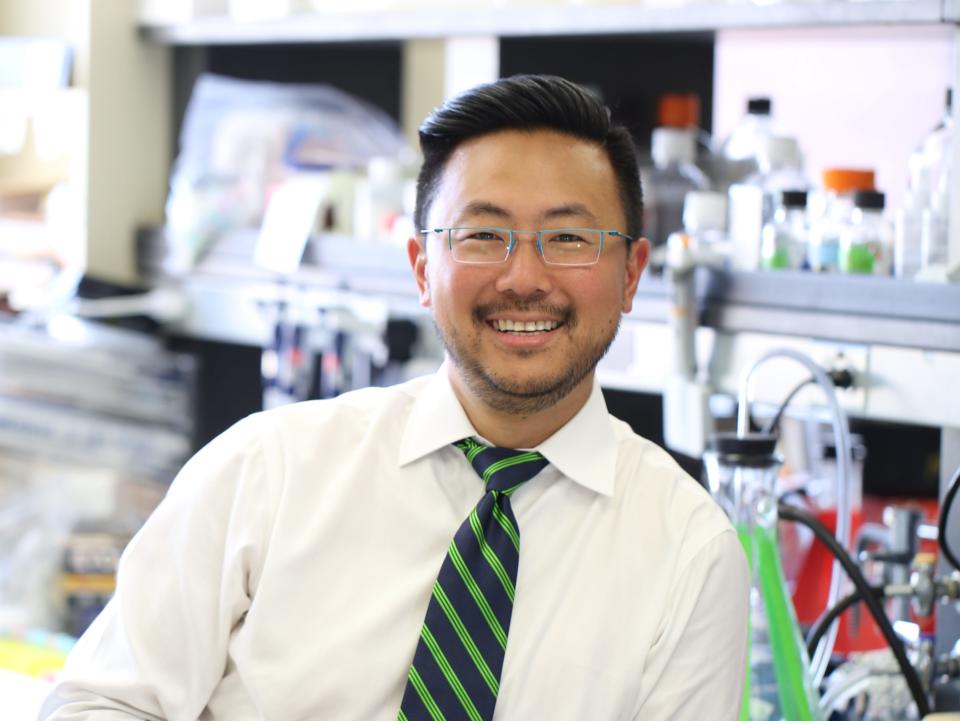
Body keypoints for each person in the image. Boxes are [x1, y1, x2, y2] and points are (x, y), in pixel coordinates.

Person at [40, 74, 748, 721]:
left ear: (631, 274)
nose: (524, 276)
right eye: (483, 235)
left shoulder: (688, 552)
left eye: (568, 237)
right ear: (420, 267)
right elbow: (96, 702)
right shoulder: (268, 470)